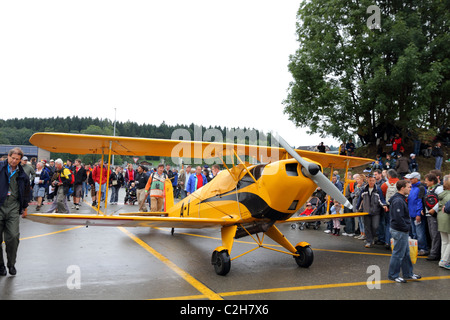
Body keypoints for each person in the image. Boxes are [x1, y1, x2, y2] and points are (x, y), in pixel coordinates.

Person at [0, 148, 30, 276]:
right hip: (0, 206)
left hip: (13, 207)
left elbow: (27, 192)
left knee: (13, 237)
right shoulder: (1, 168)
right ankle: (0, 265)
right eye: (12, 158)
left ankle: (11, 264)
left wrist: (25, 207)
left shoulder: (23, 175)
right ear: (8, 156)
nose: (14, 161)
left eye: (17, 159)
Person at [388, 180, 422, 283]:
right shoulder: (398, 200)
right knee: (398, 254)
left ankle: (408, 273)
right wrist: (406, 227)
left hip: (401, 230)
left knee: (406, 253)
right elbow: (398, 218)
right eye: (409, 187)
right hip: (400, 230)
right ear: (402, 188)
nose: (410, 189)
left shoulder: (400, 199)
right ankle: (393, 275)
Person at [356, 175, 388, 248]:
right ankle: (368, 241)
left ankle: (372, 237)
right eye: (370, 180)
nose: (371, 182)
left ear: (375, 181)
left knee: (375, 226)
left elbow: (381, 199)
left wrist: (384, 205)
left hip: (375, 211)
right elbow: (359, 199)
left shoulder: (378, 189)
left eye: (373, 180)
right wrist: (357, 208)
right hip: (366, 211)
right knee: (367, 226)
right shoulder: (364, 189)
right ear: (368, 181)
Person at [405, 172, 428, 256]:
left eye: (411, 178)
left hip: (417, 214)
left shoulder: (420, 188)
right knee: (414, 233)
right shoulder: (412, 187)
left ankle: (423, 248)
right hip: (411, 213)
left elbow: (420, 202)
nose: (410, 180)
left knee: (420, 233)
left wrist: (418, 214)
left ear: (416, 179)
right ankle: (416, 248)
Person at [423, 173, 443, 261]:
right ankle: (434, 251)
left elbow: (441, 201)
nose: (425, 182)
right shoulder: (429, 189)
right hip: (429, 214)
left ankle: (434, 253)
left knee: (435, 234)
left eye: (427, 181)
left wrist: (434, 209)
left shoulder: (439, 189)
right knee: (432, 234)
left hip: (434, 215)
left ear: (432, 181)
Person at [438, 176, 450, 269]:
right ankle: (445, 261)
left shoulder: (443, 194)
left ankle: (442, 259)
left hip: (441, 218)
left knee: (445, 241)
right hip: (448, 219)